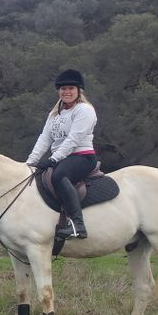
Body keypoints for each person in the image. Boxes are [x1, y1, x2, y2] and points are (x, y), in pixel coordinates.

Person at [26, 69, 97, 239]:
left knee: (59, 176)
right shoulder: (55, 114)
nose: (66, 92)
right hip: (62, 158)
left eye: (70, 88)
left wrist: (52, 159)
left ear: (78, 90)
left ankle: (78, 225)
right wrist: (30, 162)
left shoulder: (84, 110)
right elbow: (44, 138)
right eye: (63, 89)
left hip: (82, 157)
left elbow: (73, 139)